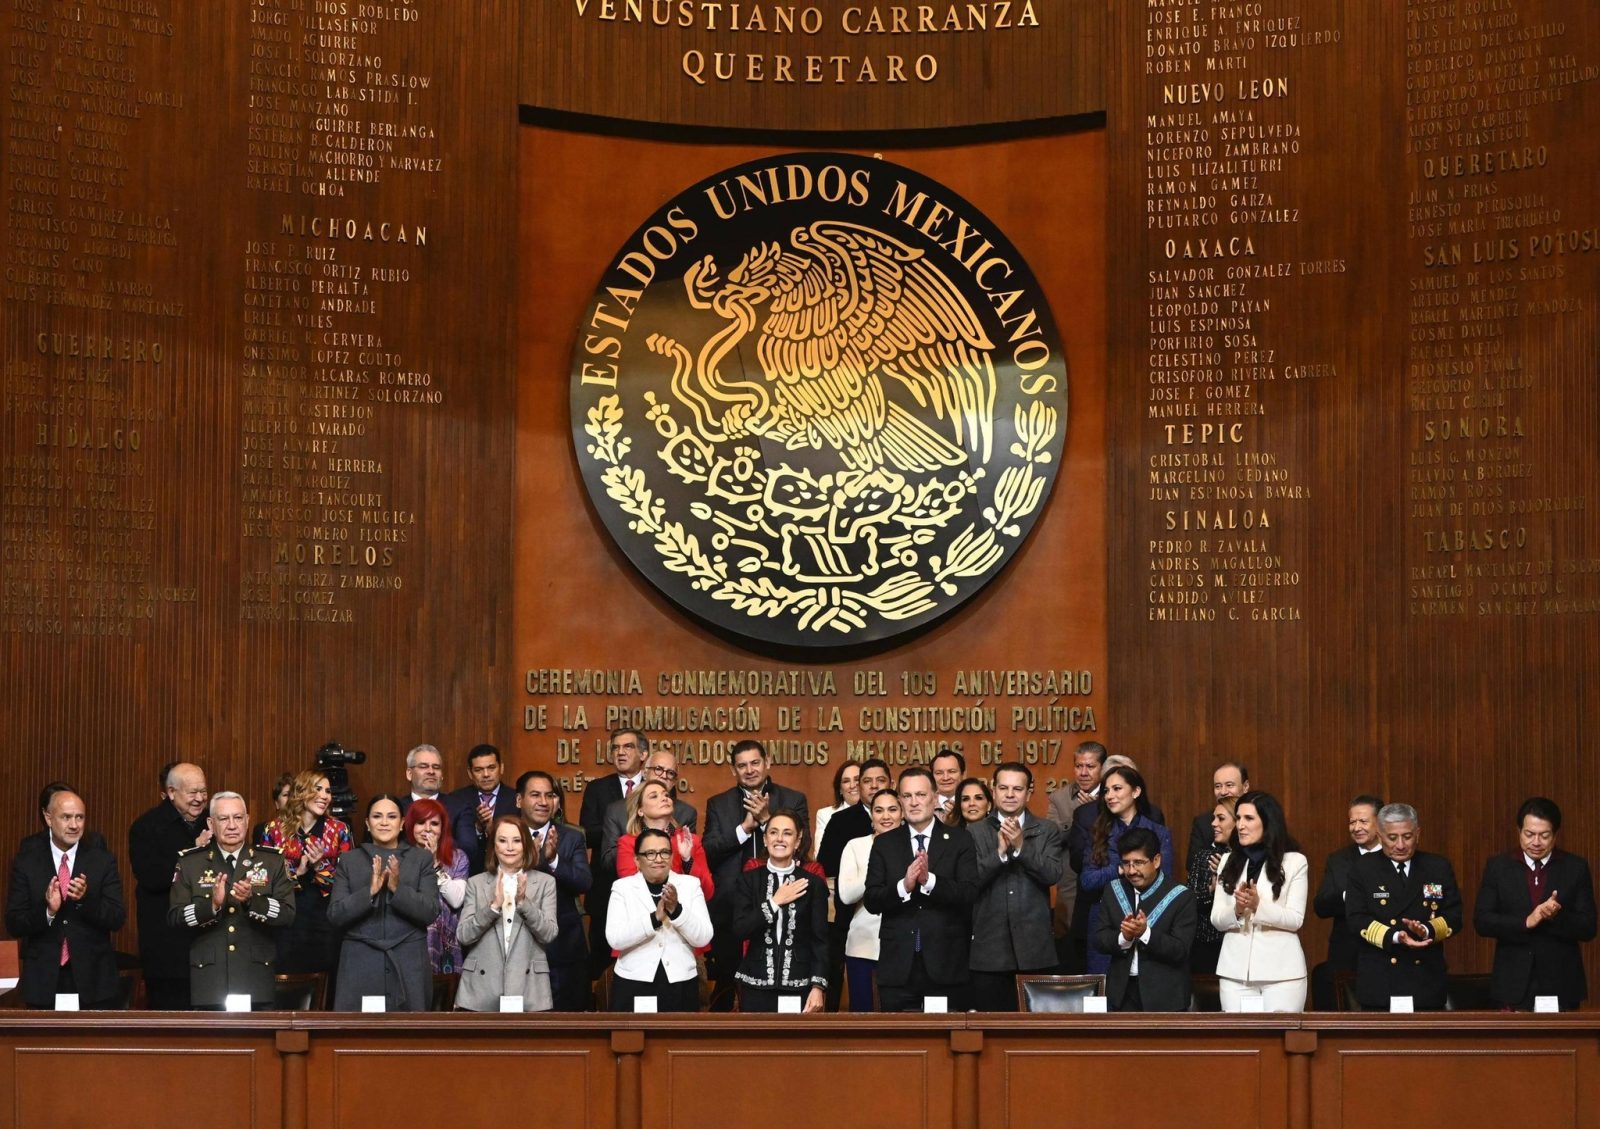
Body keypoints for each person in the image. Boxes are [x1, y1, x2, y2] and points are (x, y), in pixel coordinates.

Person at [703, 739, 809, 1008]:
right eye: (742, 766)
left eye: (755, 763)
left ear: (767, 762)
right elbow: (709, 852)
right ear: (733, 770)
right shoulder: (718, 803)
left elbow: (803, 846)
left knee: (776, 984)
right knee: (727, 987)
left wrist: (765, 822)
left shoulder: (793, 799)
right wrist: (743, 829)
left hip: (784, 904)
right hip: (730, 910)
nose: (749, 770)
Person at [864, 766, 978, 1011]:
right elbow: (872, 900)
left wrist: (929, 881)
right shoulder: (884, 844)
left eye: (921, 795)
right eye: (907, 796)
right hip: (898, 967)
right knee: (899, 1034)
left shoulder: (960, 839)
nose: (914, 802)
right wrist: (904, 886)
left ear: (935, 798)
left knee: (945, 1034)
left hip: (946, 965)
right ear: (900, 800)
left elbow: (969, 892)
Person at [169, 792, 296, 1009]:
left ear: (247, 820)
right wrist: (211, 906)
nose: (232, 825)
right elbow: (175, 918)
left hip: (255, 978)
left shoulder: (271, 861)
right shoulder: (191, 863)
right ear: (211, 823)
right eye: (223, 819)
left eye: (237, 818)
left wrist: (252, 901)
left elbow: (287, 914)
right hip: (209, 981)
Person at [5, 788, 125, 1009]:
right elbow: (14, 923)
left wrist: (85, 900)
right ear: (48, 818)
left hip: (93, 981)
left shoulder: (102, 861)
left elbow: (117, 918)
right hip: (43, 980)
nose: (74, 825)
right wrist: (48, 911)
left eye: (80, 817)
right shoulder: (27, 862)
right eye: (66, 817)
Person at [1474, 797, 1597, 1011]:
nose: (1536, 842)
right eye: (1529, 834)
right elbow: (1482, 921)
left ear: (1555, 835)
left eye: (1544, 835)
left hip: (1561, 982)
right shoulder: (1498, 867)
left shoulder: (1575, 867)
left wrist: (1556, 916)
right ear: (1519, 831)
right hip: (1512, 982)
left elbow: (1589, 927)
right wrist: (1526, 921)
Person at [1346, 802, 1463, 1011]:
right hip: (1381, 980)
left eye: (1407, 837)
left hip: (1425, 979)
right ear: (1380, 836)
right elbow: (1356, 919)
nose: (1400, 845)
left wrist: (1426, 929)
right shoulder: (1363, 869)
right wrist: (1395, 936)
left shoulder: (1437, 867)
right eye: (1392, 838)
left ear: (1418, 834)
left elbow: (1454, 915)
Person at [328, 795, 440, 1011]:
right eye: (377, 816)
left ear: (402, 823)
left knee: (408, 1030)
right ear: (367, 823)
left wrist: (397, 888)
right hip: (360, 963)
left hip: (408, 963)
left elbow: (430, 911)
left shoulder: (421, 859)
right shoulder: (349, 860)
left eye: (392, 816)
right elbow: (335, 915)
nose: (384, 822)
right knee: (358, 1030)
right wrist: (369, 892)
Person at [966, 763, 1064, 1011]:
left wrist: (1021, 846)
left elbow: (1052, 874)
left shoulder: (1047, 830)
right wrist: (999, 854)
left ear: (1028, 793)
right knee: (989, 1027)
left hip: (1035, 950)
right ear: (994, 790)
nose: (1010, 794)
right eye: (1004, 788)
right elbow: (969, 881)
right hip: (989, 951)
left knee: (1034, 1029)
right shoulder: (974, 831)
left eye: (1017, 789)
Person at [1210, 791, 1309, 1011]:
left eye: (1249, 818)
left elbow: (1295, 919)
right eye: (1238, 818)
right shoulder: (1227, 860)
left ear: (1268, 822)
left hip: (1283, 975)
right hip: (1234, 973)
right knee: (1239, 1034)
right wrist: (1237, 909)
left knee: (1281, 1033)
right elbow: (1216, 919)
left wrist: (1258, 906)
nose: (1240, 825)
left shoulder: (1294, 861)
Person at [1075, 765, 1172, 977]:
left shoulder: (1158, 832)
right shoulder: (1098, 833)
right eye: (1106, 791)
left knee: (1146, 985)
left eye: (1117, 789)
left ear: (1136, 792)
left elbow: (1165, 882)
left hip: (1148, 918)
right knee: (1105, 987)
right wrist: (1119, 869)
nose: (1110, 796)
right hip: (1106, 921)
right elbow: (1088, 881)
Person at [257, 770, 354, 982]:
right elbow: (264, 881)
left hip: (325, 918)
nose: (325, 796)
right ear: (301, 791)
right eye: (318, 789)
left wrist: (319, 866)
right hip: (286, 919)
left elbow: (348, 882)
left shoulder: (340, 830)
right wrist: (297, 873)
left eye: (328, 791)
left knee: (326, 979)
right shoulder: (273, 830)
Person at [128, 762, 210, 1009]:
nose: (199, 799)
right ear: (171, 792)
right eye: (192, 792)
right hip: (167, 951)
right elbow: (151, 878)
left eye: (203, 791)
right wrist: (192, 852)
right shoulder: (146, 826)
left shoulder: (213, 821)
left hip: (209, 949)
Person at [456, 815, 560, 1011]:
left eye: (517, 840)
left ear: (526, 844)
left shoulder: (545, 882)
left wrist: (524, 903)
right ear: (493, 846)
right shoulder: (476, 883)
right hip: (480, 990)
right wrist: (493, 907)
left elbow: (549, 934)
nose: (509, 847)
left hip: (530, 989)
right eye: (502, 840)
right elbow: (463, 935)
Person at [606, 827, 713, 1012]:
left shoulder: (690, 885)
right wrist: (654, 919)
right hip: (634, 981)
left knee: (679, 1032)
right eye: (650, 853)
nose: (658, 859)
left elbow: (703, 937)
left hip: (680, 982)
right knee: (635, 1032)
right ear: (637, 860)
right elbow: (615, 938)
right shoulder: (622, 888)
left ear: (671, 857)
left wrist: (677, 911)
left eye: (664, 852)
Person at [731, 810, 829, 1012]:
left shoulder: (813, 884)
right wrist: (775, 902)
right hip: (755, 983)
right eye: (773, 832)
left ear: (798, 840)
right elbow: (740, 929)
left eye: (787, 833)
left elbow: (820, 941)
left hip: (799, 984)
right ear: (765, 839)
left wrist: (818, 986)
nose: (780, 839)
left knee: (795, 1035)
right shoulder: (749, 880)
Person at [1092, 827, 1197, 1011]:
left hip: (1165, 996)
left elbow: (1180, 950)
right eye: (1126, 863)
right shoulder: (1113, 890)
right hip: (1122, 994)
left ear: (1156, 861)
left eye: (1139, 863)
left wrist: (1145, 933)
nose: (1131, 871)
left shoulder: (1181, 896)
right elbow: (1099, 939)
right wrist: (1123, 937)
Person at [516, 769, 593, 1009]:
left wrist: (553, 860)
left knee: (567, 1020)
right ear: (519, 800)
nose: (543, 802)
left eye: (549, 795)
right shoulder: (505, 834)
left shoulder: (571, 837)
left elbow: (584, 882)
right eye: (535, 795)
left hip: (562, 948)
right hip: (517, 943)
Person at [580, 727, 648, 980]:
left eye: (628, 747)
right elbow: (587, 833)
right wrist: (621, 830)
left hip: (646, 889)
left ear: (643, 754)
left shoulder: (654, 788)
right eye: (616, 747)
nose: (620, 752)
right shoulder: (597, 789)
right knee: (600, 965)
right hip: (605, 888)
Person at [1310, 794, 1385, 1009]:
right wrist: (1347, 896)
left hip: (1385, 952)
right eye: (1352, 822)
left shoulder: (1394, 856)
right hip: (1347, 954)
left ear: (1380, 823)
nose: (1356, 827)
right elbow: (1321, 905)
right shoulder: (1338, 859)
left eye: (1363, 821)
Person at [837, 789, 903, 1012]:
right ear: (871, 816)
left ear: (902, 814)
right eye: (879, 810)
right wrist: (878, 865)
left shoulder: (914, 846)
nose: (886, 816)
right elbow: (846, 895)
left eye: (892, 809)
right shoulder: (855, 846)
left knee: (900, 1018)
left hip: (903, 945)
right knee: (863, 1018)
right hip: (863, 945)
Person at [1048, 740, 1106, 973]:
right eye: (1079, 766)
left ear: (1102, 767)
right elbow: (1052, 837)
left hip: (1108, 879)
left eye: (1090, 766)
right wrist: (1080, 815)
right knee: (1072, 948)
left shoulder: (1113, 795)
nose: (1083, 772)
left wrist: (1098, 810)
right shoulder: (1059, 798)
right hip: (1072, 884)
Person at [600, 749, 698, 869]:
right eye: (658, 769)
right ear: (645, 773)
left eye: (670, 773)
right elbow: (608, 861)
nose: (664, 776)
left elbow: (691, 862)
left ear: (674, 782)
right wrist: (641, 843)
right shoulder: (617, 810)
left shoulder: (686, 813)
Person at [402, 797, 468, 974]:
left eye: (434, 823)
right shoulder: (400, 857)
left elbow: (456, 900)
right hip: (408, 940)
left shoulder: (457, 857)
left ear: (442, 828)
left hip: (445, 943)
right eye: (421, 822)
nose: (428, 829)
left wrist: (435, 864)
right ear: (410, 825)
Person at [616, 779, 713, 899]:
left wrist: (687, 860)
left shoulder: (690, 841)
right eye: (654, 796)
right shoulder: (628, 842)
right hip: (644, 909)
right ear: (640, 810)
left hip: (685, 909)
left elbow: (707, 892)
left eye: (666, 795)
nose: (664, 798)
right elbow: (630, 891)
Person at [448, 744, 520, 876]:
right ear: (470, 773)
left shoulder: (517, 799)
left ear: (501, 768)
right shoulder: (456, 799)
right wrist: (478, 828)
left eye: (491, 768)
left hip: (508, 873)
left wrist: (494, 829)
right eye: (478, 770)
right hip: (468, 875)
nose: (486, 774)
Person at [1186, 797, 1237, 974]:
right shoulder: (1204, 857)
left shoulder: (1250, 861)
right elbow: (1189, 903)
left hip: (1240, 942)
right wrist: (1211, 890)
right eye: (1214, 818)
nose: (1213, 824)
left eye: (1221, 818)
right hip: (1207, 946)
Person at [1186, 762, 1250, 868]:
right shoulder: (1204, 823)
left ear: (1245, 786)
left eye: (1229, 785)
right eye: (1218, 786)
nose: (1223, 792)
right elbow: (1192, 864)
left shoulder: (1260, 818)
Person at [815, 762, 862, 850]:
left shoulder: (877, 812)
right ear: (840, 789)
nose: (852, 785)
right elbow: (821, 853)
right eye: (846, 781)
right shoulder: (825, 815)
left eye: (857, 779)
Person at [398, 744, 445, 816]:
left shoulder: (458, 807)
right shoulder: (397, 808)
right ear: (409, 774)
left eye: (436, 767)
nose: (431, 771)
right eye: (423, 767)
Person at [251, 772, 295, 846]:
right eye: (286, 795)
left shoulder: (307, 830)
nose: (290, 798)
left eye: (293, 795)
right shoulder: (261, 830)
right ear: (277, 803)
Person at [931, 749, 965, 818]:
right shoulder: (924, 805)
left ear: (962, 775)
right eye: (939, 773)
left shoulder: (971, 804)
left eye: (952, 771)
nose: (945, 778)